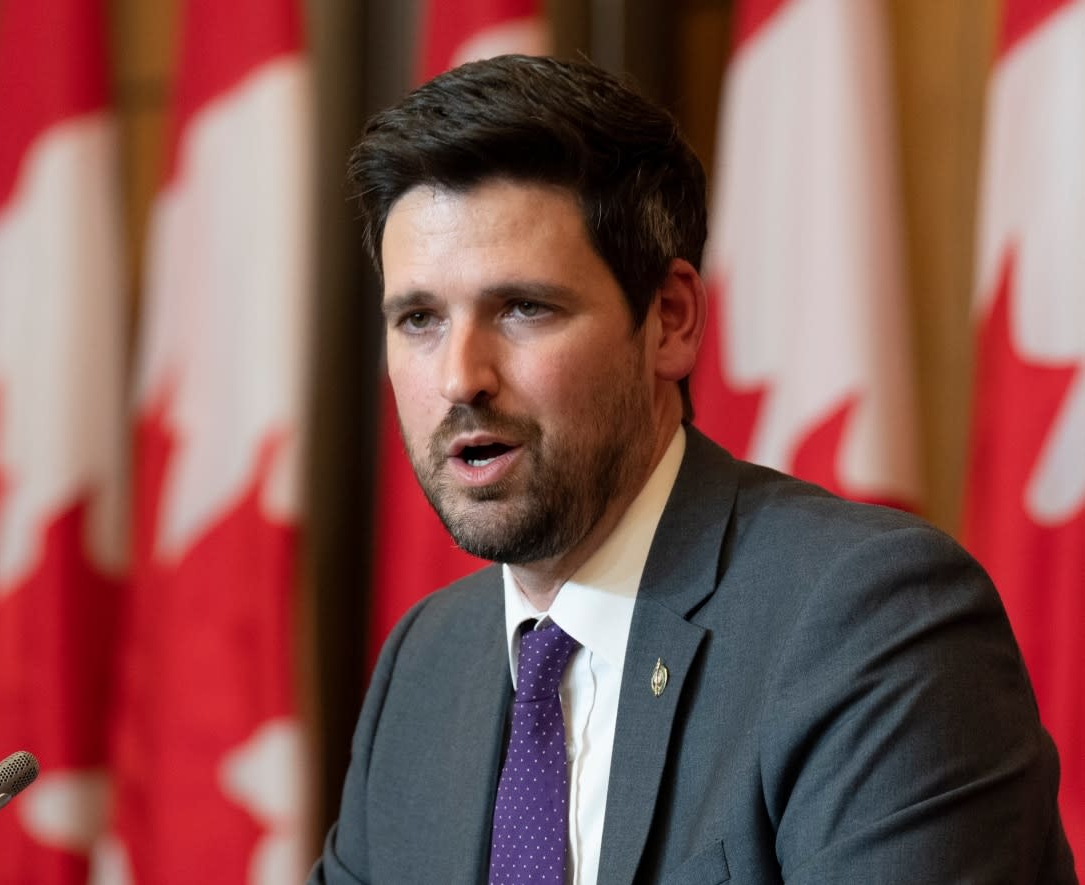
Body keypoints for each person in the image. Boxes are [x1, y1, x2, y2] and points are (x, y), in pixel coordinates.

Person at [311, 54, 1076, 884]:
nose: (461, 376)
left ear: (670, 320)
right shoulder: (425, 667)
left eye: (524, 308)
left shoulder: (873, 626)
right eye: (419, 318)